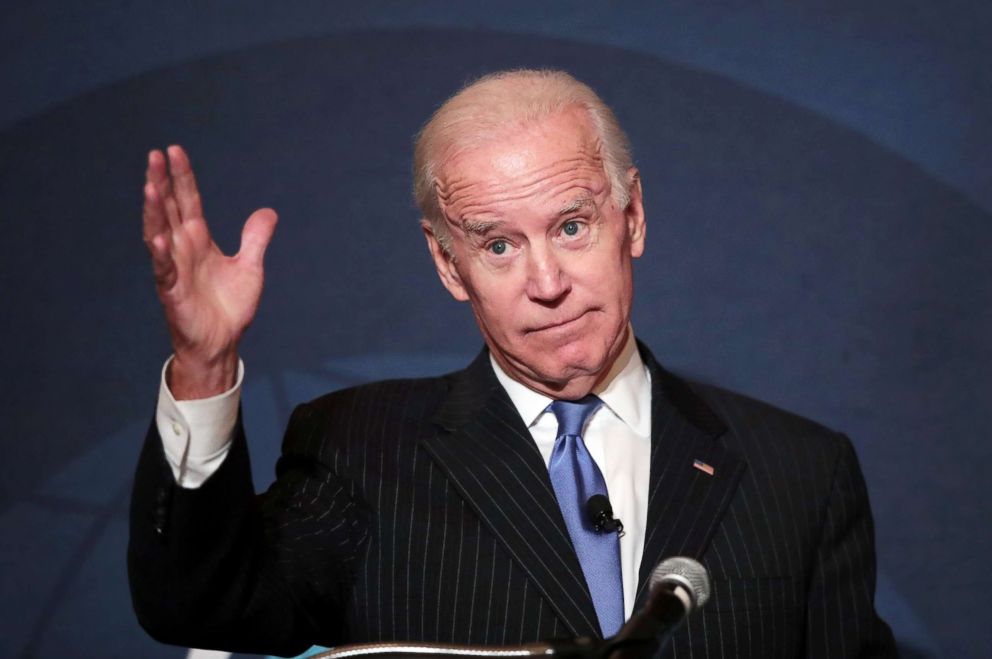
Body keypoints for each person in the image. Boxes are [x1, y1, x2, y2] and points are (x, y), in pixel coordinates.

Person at [129, 69, 896, 658]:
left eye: (571, 225)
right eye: (498, 244)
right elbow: (197, 604)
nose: (548, 282)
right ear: (448, 264)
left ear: (632, 217)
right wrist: (205, 361)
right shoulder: (360, 448)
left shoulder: (799, 473)